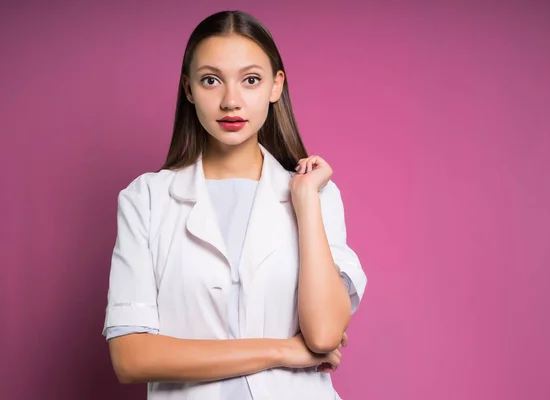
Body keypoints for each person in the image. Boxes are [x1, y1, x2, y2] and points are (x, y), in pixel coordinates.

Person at [102, 10, 367, 400]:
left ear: (276, 86)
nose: (230, 100)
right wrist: (280, 350)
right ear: (189, 89)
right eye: (211, 80)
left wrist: (305, 200)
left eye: (251, 80)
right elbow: (130, 357)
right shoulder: (146, 200)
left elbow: (325, 333)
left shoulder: (317, 196)